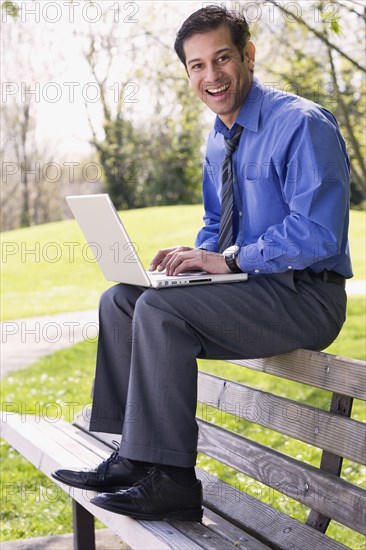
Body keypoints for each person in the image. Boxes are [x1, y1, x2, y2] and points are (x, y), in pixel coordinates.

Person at [52, 6, 352, 521]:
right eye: (196, 65)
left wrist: (230, 258)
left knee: (160, 314)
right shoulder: (217, 138)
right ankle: (133, 456)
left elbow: (319, 232)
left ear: (247, 56)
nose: (211, 76)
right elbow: (217, 224)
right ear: (187, 72)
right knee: (123, 300)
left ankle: (172, 481)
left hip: (307, 295)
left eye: (222, 59)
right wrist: (189, 262)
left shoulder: (301, 124)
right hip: (254, 290)